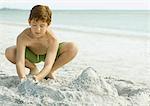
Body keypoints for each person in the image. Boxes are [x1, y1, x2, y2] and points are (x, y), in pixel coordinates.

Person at [5, 5, 78, 82]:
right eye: (34, 25)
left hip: (48, 56)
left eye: (42, 26)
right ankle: (33, 68)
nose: (38, 29)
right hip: (31, 55)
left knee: (73, 47)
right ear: (29, 22)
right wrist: (22, 78)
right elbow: (20, 61)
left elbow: (48, 64)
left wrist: (37, 78)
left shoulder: (52, 39)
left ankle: (49, 72)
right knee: (9, 52)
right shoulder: (23, 37)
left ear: (48, 24)